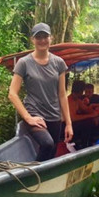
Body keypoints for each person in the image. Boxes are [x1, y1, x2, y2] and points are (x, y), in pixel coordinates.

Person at [8, 23, 73, 161]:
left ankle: (44, 179)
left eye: (45, 36)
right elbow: (12, 93)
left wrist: (68, 124)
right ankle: (32, 176)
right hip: (34, 113)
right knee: (47, 144)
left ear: (51, 38)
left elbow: (62, 94)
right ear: (33, 39)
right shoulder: (24, 63)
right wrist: (28, 118)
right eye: (38, 37)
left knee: (52, 152)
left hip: (54, 116)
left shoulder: (59, 63)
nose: (42, 40)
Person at [68, 80, 99, 148]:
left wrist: (95, 113)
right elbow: (73, 118)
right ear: (80, 91)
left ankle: (90, 141)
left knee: (92, 120)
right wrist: (91, 115)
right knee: (87, 123)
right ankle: (84, 145)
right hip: (66, 125)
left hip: (75, 124)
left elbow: (87, 109)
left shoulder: (78, 100)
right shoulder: (69, 100)